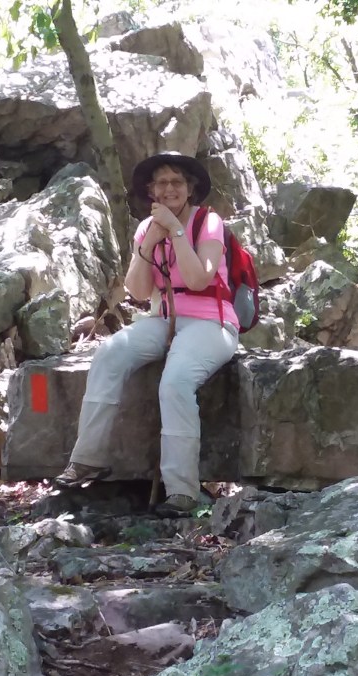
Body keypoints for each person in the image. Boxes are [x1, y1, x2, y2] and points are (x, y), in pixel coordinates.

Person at [54, 151, 240, 517]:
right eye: (161, 183)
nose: (169, 189)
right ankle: (87, 459)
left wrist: (176, 231)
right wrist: (148, 243)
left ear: (190, 188)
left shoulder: (208, 222)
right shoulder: (146, 228)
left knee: (175, 381)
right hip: (164, 319)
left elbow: (199, 278)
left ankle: (182, 491)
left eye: (177, 181)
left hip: (211, 323)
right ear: (151, 191)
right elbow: (138, 290)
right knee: (109, 353)